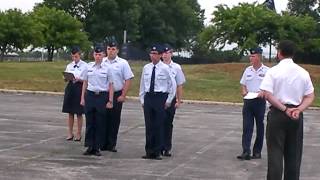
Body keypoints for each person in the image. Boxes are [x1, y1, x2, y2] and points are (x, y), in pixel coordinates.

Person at [260, 40, 314, 180]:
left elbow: (267, 94)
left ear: (279, 53)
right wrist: (298, 109)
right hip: (296, 115)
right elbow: (310, 95)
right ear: (293, 54)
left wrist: (284, 109)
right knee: (294, 155)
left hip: (278, 113)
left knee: (275, 154)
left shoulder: (273, 71)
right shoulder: (303, 72)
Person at [139, 44, 176, 160]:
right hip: (149, 97)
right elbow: (142, 85)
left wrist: (169, 100)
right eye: (151, 53)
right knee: (149, 125)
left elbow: (172, 85)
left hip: (160, 97)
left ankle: (157, 151)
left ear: (160, 55)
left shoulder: (165, 68)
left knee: (159, 125)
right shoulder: (146, 68)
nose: (153, 56)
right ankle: (149, 150)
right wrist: (142, 99)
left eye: (155, 54)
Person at [80, 45, 114, 156]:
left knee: (100, 122)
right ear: (93, 55)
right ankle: (90, 146)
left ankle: (97, 147)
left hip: (101, 96)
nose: (98, 56)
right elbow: (85, 82)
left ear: (103, 55)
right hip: (90, 95)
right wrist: (82, 98)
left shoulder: (107, 68)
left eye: (100, 54)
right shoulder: (88, 67)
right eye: (96, 54)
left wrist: (110, 100)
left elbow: (111, 85)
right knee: (90, 122)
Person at [101, 40, 134, 152]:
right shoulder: (102, 61)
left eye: (113, 49)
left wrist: (123, 95)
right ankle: (102, 143)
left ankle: (111, 144)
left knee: (114, 120)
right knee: (103, 119)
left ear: (117, 50)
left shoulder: (123, 63)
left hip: (117, 93)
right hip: (104, 94)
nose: (111, 51)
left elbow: (128, 79)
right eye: (109, 49)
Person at [237, 47, 269, 160]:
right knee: (247, 126)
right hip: (248, 101)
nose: (251, 58)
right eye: (250, 56)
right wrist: (244, 91)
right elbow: (243, 84)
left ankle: (257, 152)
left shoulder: (267, 71)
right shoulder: (248, 70)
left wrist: (263, 92)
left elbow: (270, 86)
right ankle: (246, 151)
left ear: (259, 57)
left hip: (260, 101)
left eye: (253, 56)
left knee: (260, 126)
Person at [161, 44, 186, 157]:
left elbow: (179, 84)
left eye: (167, 53)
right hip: (159, 97)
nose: (165, 55)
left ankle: (167, 147)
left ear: (171, 53)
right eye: (164, 53)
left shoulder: (176, 67)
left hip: (170, 98)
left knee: (167, 123)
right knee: (158, 123)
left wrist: (178, 100)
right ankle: (159, 146)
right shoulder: (158, 66)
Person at [62, 46, 88, 141]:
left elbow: (86, 79)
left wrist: (79, 79)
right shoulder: (69, 65)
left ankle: (78, 133)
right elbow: (66, 77)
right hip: (70, 87)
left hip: (79, 87)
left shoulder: (85, 66)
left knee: (79, 112)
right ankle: (70, 133)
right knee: (70, 112)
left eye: (76, 56)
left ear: (80, 55)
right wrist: (66, 77)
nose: (74, 58)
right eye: (73, 57)